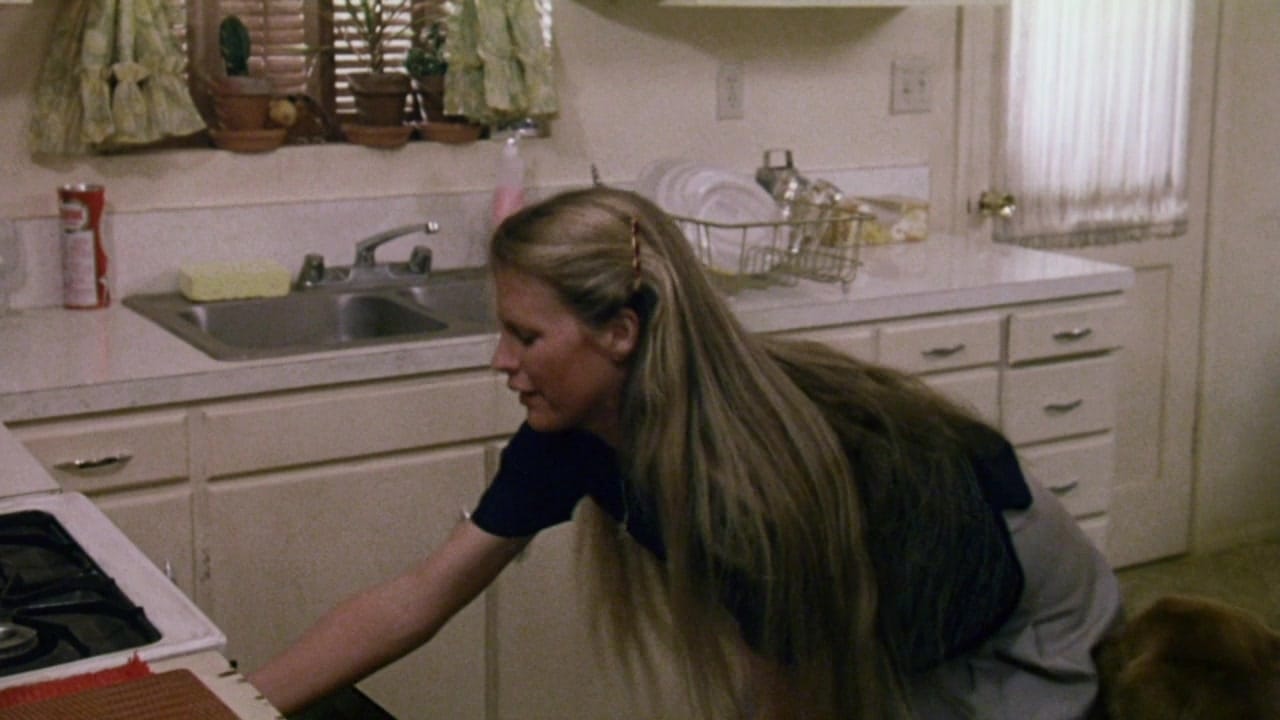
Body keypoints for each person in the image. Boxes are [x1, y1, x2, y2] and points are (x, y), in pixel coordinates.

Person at [248, 185, 1123, 719]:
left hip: (1019, 611)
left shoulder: (745, 488)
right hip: (891, 612)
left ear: (619, 333)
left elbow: (796, 698)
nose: (501, 360)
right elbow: (418, 597)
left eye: (525, 335)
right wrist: (233, 710)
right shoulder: (573, 433)